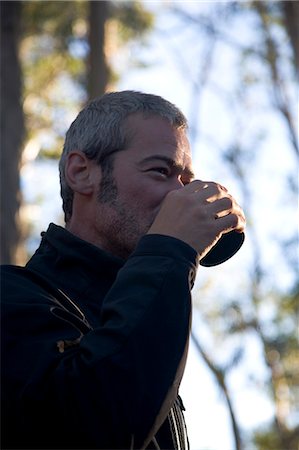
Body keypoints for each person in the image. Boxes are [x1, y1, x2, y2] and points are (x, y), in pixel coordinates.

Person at [1, 90, 246, 450]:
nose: (178, 196)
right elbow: (100, 424)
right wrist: (170, 251)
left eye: (185, 180)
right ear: (81, 173)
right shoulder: (12, 296)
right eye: (161, 171)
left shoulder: (144, 313)